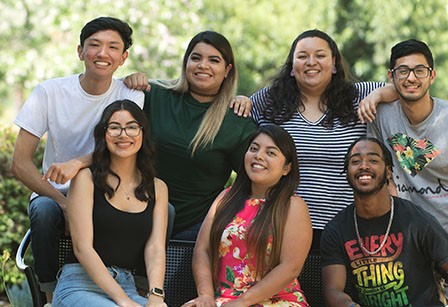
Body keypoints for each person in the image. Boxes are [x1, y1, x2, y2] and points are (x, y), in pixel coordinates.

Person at [10, 16, 144, 304]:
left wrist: (77, 163)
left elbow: (124, 146)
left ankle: (140, 293)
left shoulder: (130, 93)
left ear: (124, 57)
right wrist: (64, 202)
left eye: (112, 47)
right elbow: (19, 163)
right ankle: (48, 297)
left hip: (108, 193)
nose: (102, 53)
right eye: (94, 45)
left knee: (160, 211)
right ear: (80, 51)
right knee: (44, 212)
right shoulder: (49, 92)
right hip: (56, 192)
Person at [364, 39, 448, 306]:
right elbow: (386, 174)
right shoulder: (382, 117)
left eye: (420, 70)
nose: (411, 77)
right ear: (391, 77)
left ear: (432, 75)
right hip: (411, 246)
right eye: (402, 71)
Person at [250, 29, 397, 242]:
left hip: (350, 229)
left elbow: (400, 90)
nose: (311, 62)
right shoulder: (270, 100)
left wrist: (378, 95)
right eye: (302, 56)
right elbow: (240, 113)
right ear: (292, 67)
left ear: (334, 63)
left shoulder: (358, 96)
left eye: (320, 55)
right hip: (282, 227)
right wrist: (241, 100)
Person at [124, 31, 257, 241]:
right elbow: (113, 125)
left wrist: (226, 212)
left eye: (214, 60)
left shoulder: (236, 120)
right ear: (186, 63)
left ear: (227, 70)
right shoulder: (154, 95)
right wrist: (128, 81)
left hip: (196, 228)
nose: (203, 65)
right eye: (196, 58)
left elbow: (255, 178)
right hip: (138, 215)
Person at [321, 136, 448, 307]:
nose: (364, 166)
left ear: (388, 171)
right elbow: (333, 290)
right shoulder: (336, 229)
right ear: (348, 173)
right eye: (355, 161)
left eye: (373, 160)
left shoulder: (416, 220)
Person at [52, 100, 168, 307]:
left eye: (132, 127)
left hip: (127, 285)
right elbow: (82, 247)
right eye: (114, 127)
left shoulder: (158, 188)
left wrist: (156, 296)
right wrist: (121, 301)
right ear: (103, 135)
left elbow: (155, 248)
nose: (123, 134)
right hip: (79, 285)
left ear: (143, 133)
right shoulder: (85, 179)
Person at [183, 124, 312, 306]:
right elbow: (202, 250)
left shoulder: (293, 206)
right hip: (225, 300)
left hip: (277, 301)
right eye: (254, 148)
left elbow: (291, 267)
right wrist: (205, 296)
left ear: (287, 168)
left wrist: (243, 302)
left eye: (271, 153)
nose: (258, 156)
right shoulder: (226, 197)